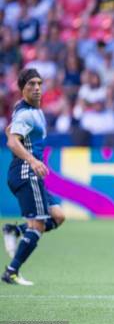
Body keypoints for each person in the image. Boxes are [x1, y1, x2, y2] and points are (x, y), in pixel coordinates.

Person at [2, 68, 65, 286]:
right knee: (37, 225)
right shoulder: (26, 113)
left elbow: (10, 131)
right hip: (26, 172)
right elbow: (11, 141)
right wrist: (33, 160)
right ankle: (11, 272)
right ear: (22, 88)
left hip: (28, 173)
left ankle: (14, 230)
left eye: (39, 83)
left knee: (57, 216)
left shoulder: (29, 109)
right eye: (31, 84)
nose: (37, 88)